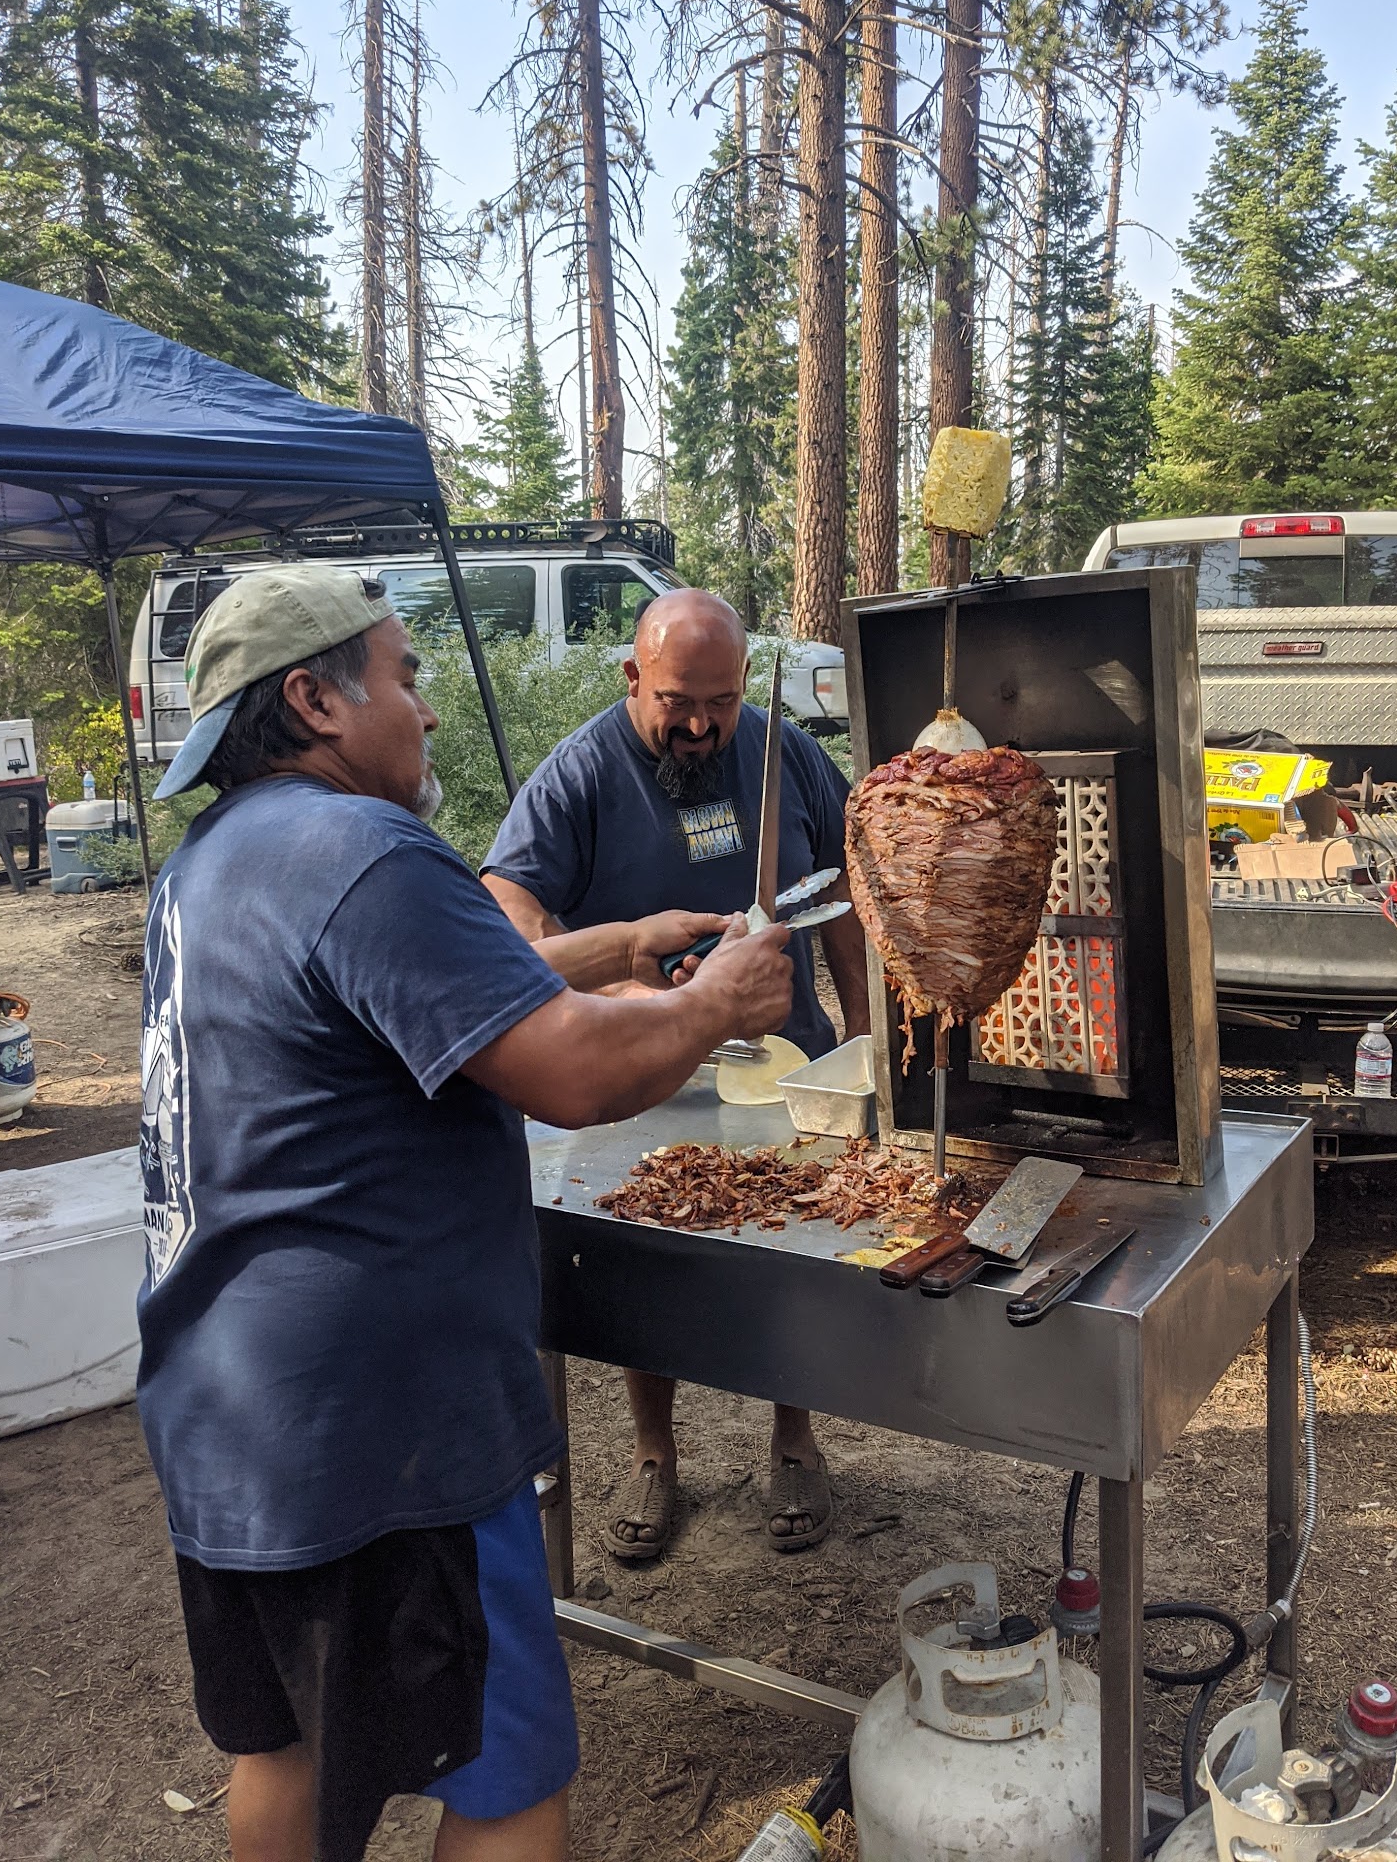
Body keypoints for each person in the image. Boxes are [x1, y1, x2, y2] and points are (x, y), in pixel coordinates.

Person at [136, 567, 794, 1862]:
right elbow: (574, 1073)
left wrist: (621, 947)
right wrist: (715, 1002)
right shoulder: (364, 850)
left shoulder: (213, 861)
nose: (428, 709)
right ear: (316, 699)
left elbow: (424, 983)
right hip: (389, 1437)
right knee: (510, 1784)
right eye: (407, 675)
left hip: (228, 1416)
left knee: (289, 1751)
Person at [481, 589, 872, 1565]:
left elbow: (846, 888)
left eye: (721, 703)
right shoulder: (580, 774)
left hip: (788, 1066)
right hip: (645, 1069)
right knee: (646, 1263)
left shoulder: (786, 755)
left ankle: (795, 1437)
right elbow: (508, 910)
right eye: (677, 703)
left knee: (791, 1255)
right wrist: (617, 975)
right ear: (633, 677)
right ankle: (655, 1451)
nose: (700, 726)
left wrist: (868, 1035)